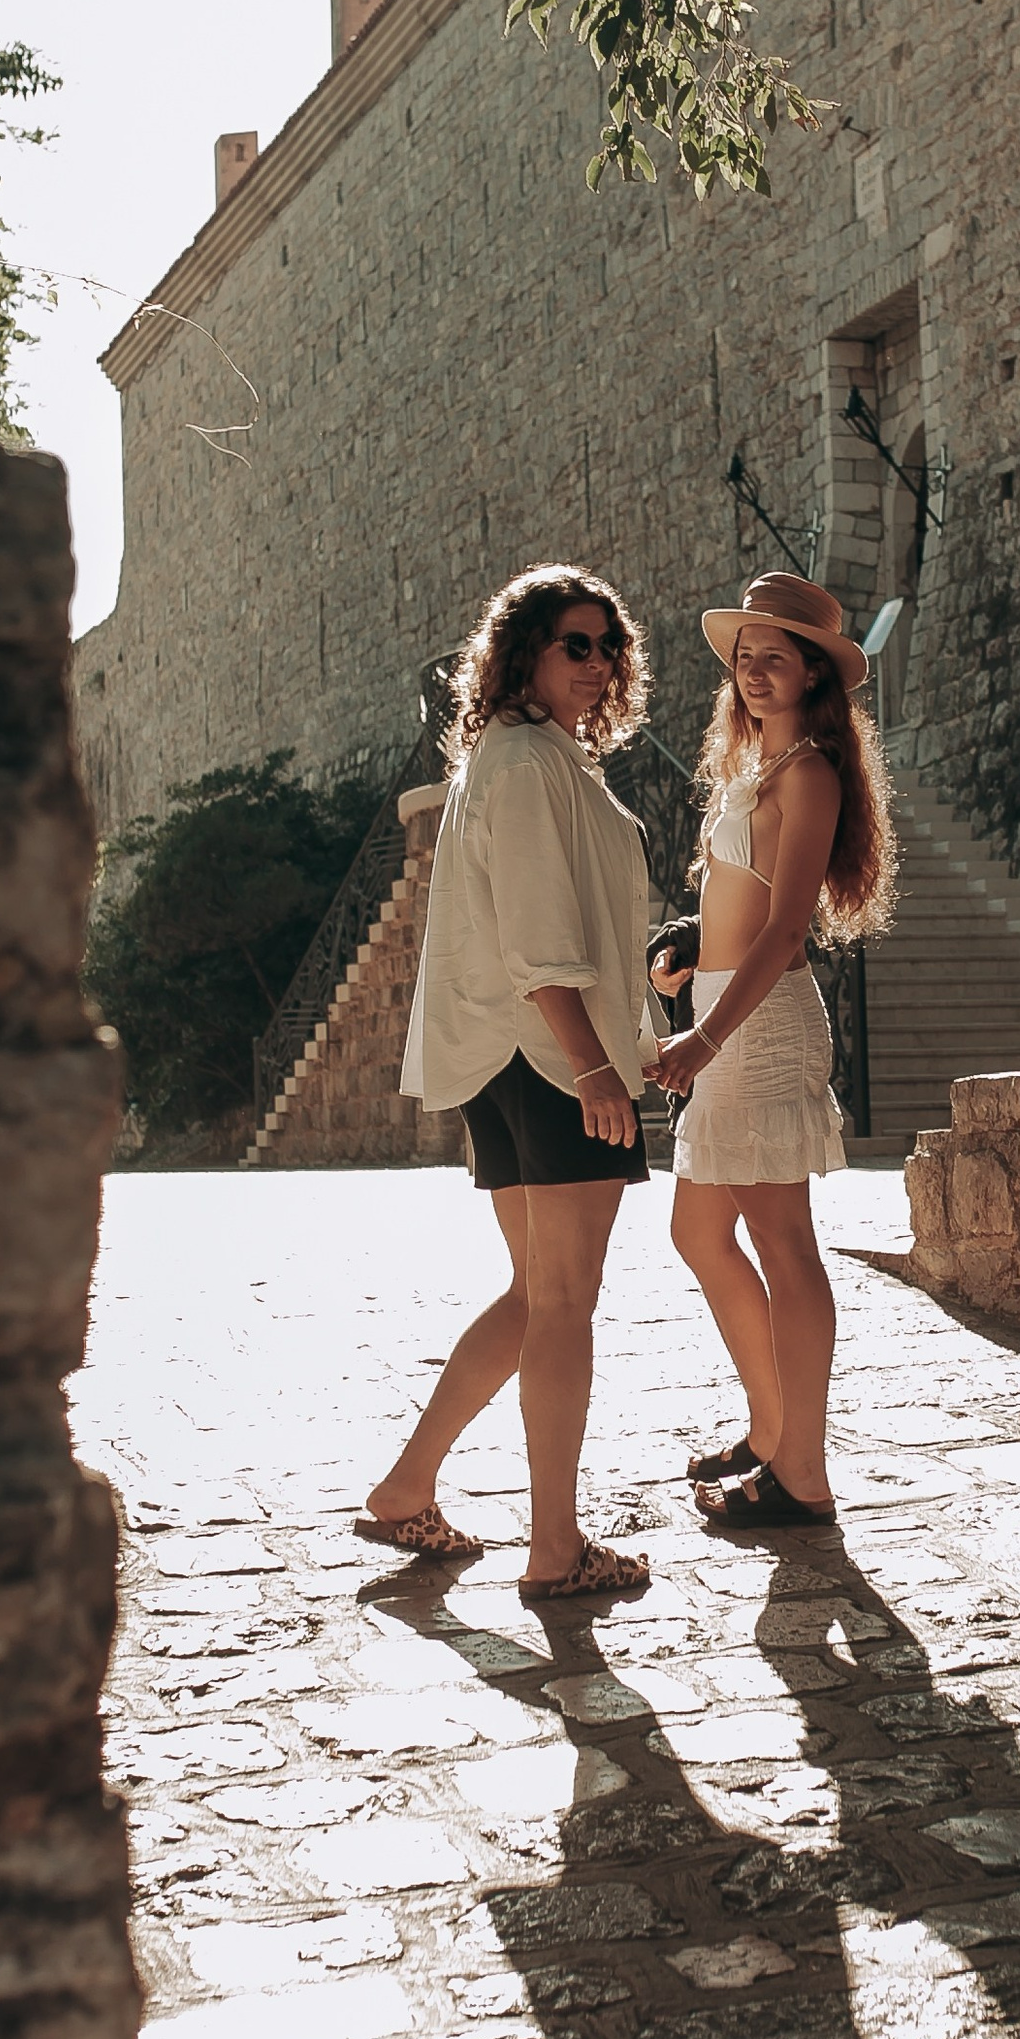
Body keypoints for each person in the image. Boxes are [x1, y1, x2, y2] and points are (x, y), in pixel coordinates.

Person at [358, 564, 658, 1601]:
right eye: (574, 643)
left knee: (538, 1295)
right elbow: (539, 941)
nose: (596, 663)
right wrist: (592, 1064)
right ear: (523, 650)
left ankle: (405, 1485)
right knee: (566, 1300)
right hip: (544, 1057)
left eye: (608, 646)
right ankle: (557, 1547)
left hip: (514, 1055)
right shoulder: (527, 761)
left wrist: (627, 1028)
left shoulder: (518, 757)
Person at [649, 570, 896, 1531]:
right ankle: (770, 1430)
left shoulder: (812, 775)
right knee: (699, 1235)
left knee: (783, 1245)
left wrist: (705, 1035)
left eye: (775, 659)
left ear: (812, 675)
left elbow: (787, 929)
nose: (755, 673)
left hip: (754, 1031)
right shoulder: (752, 770)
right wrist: (685, 961)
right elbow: (732, 909)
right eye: (745, 659)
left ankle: (802, 1473)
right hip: (720, 1015)